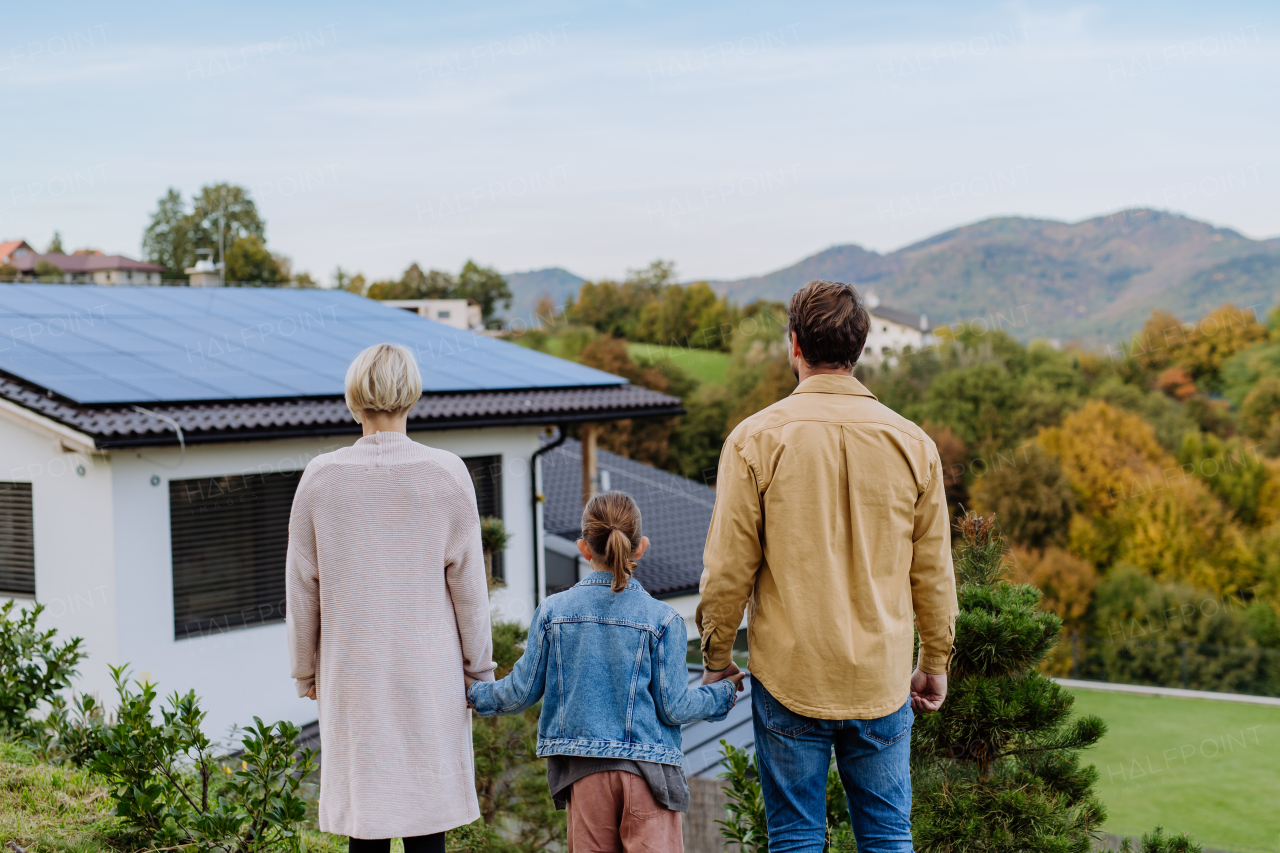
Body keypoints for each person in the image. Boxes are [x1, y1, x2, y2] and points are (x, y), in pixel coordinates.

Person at [696, 280, 959, 853]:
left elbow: (727, 570)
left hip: (791, 677)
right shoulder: (914, 445)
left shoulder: (752, 441)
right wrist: (934, 661)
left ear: (794, 344)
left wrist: (717, 658)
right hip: (881, 679)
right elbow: (934, 572)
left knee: (795, 838)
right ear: (858, 348)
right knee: (889, 837)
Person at [286, 343, 496, 853]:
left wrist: (304, 669)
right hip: (431, 674)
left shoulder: (320, 476)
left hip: (352, 672)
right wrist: (479, 668)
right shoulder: (447, 473)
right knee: (429, 827)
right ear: (411, 395)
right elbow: (469, 588)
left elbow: (301, 584)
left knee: (367, 824)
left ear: (354, 398)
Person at [468, 490, 745, 852]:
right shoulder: (663, 620)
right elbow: (675, 708)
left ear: (584, 549)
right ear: (641, 547)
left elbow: (518, 693)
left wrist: (471, 692)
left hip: (586, 777)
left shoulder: (553, 612)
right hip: (650, 774)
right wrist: (722, 692)